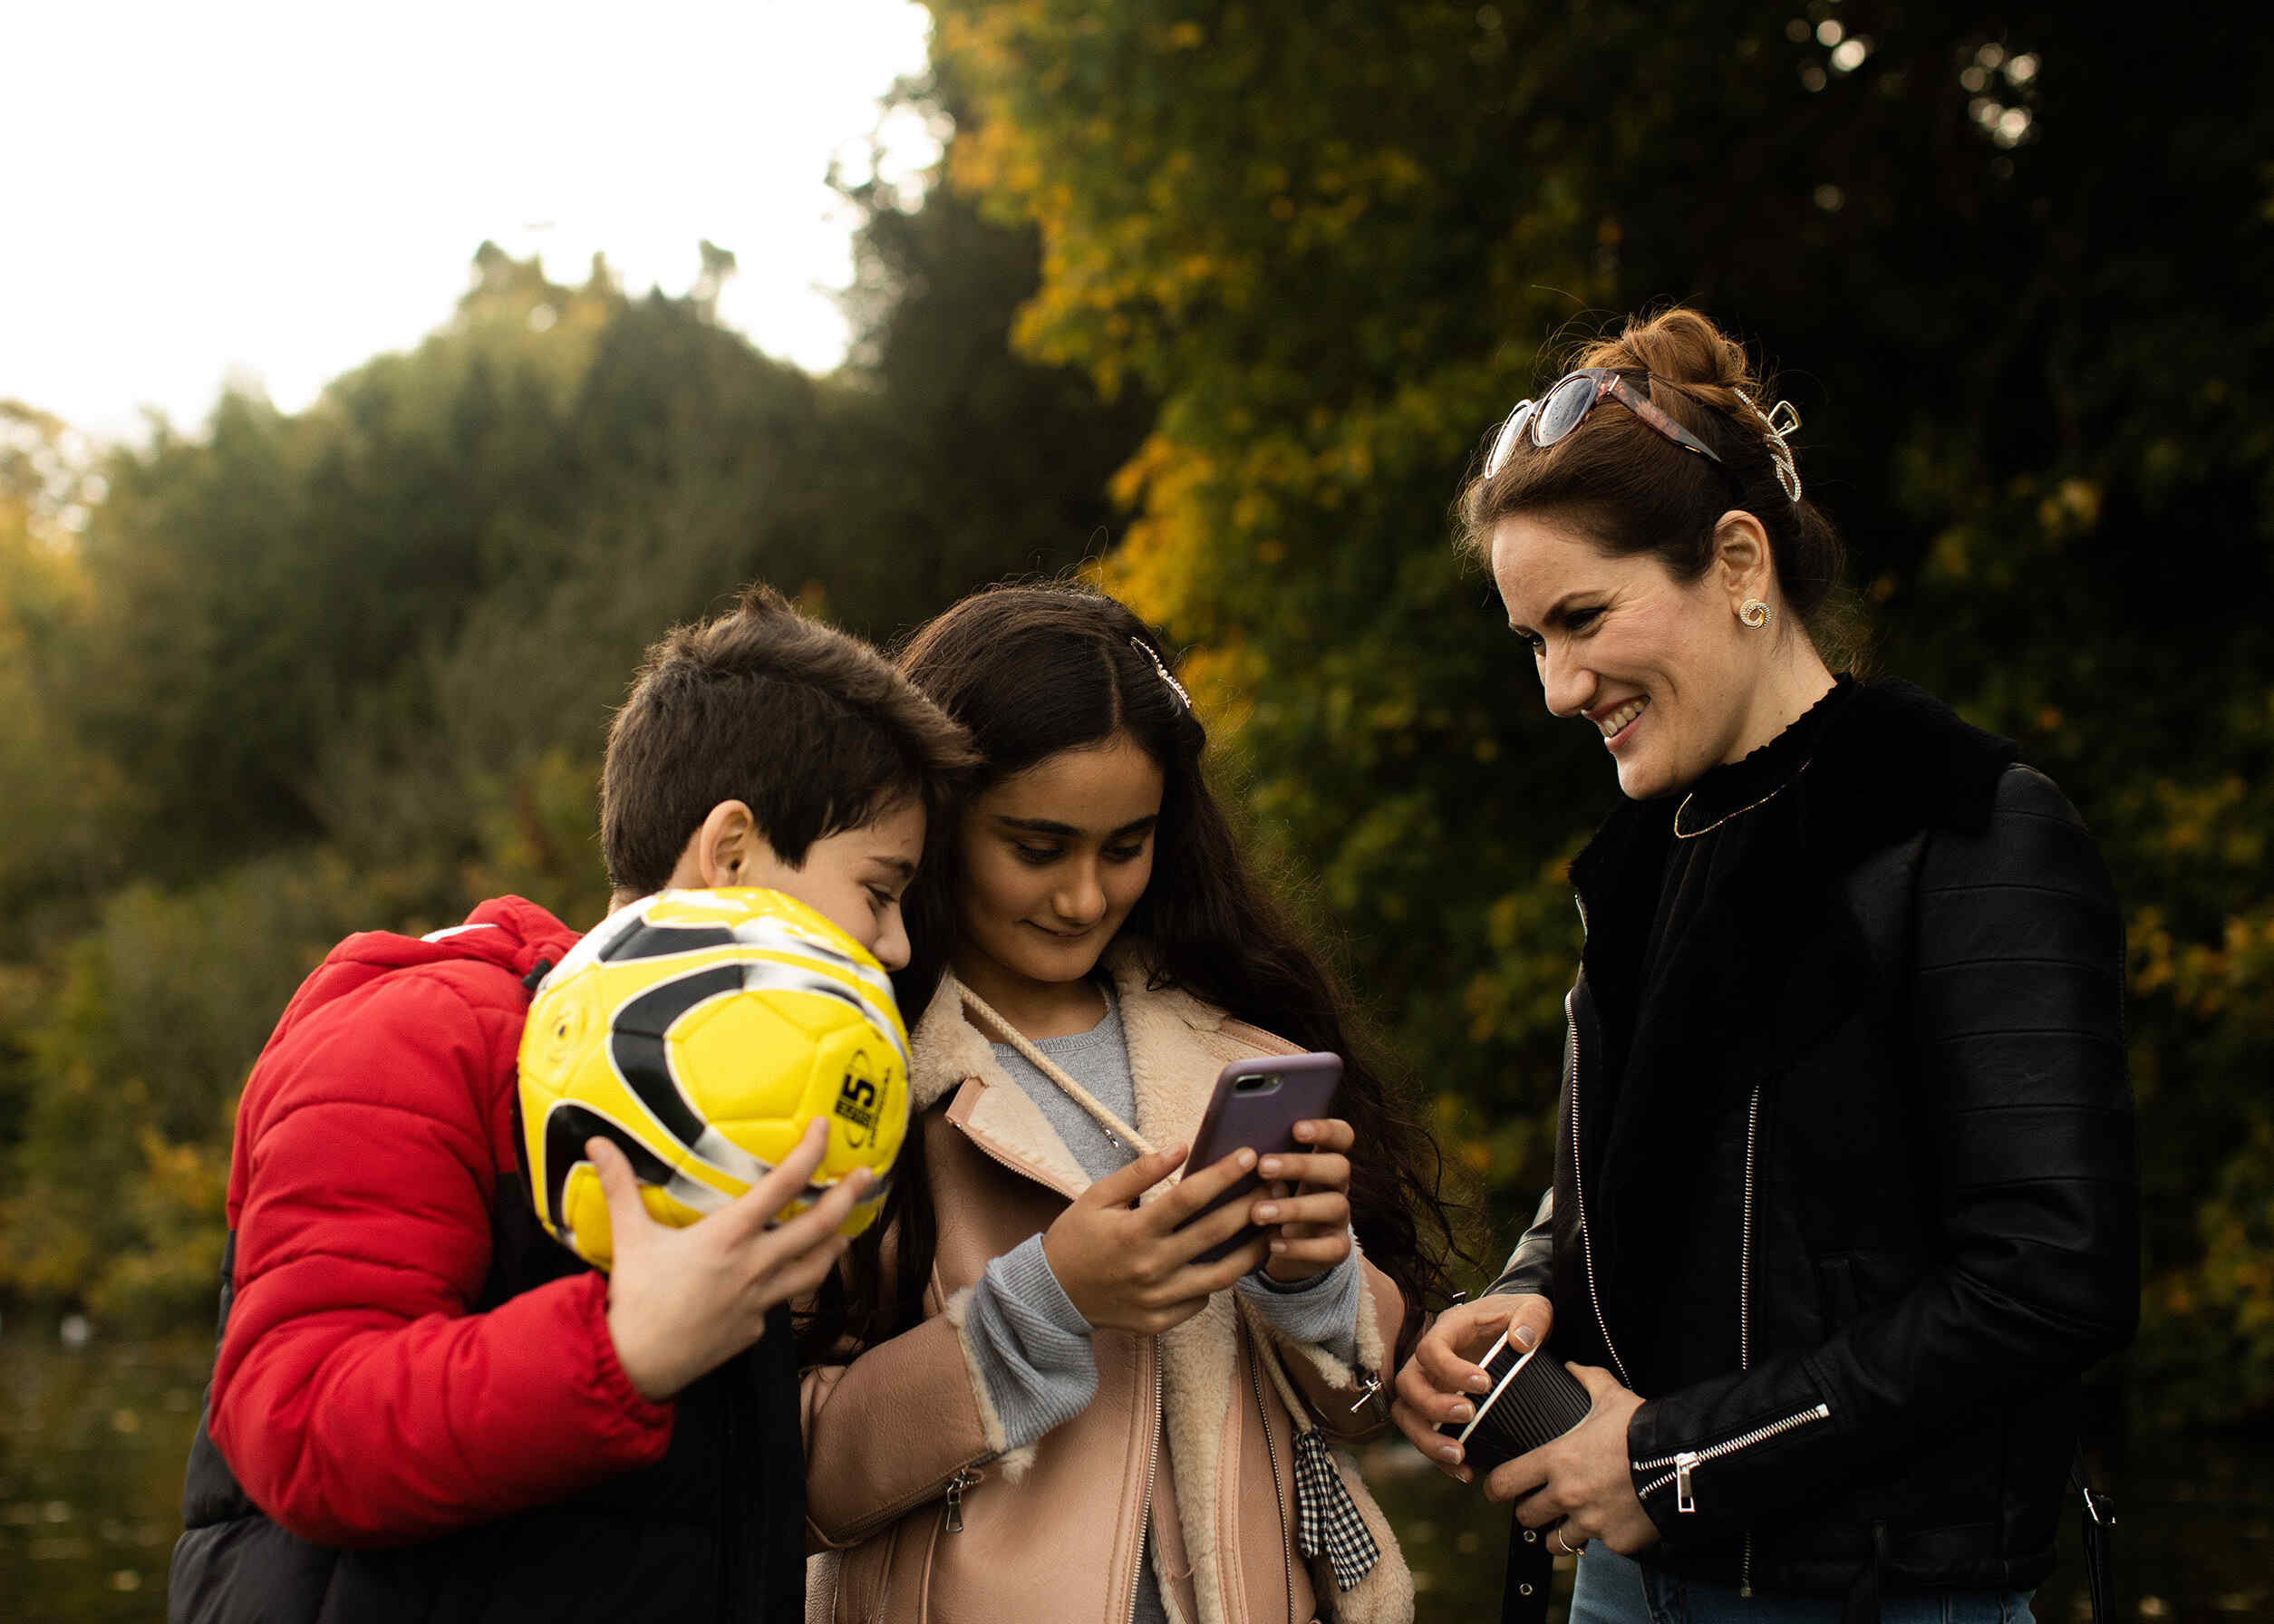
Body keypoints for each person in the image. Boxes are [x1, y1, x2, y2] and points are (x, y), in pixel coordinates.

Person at [1389, 309, 2137, 1623]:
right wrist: (1518, 1302)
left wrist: (1674, 1462)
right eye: (1530, 643)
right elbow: (1629, 1187)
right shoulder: (1636, 861)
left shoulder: (1965, 823)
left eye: (1581, 619)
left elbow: (2047, 1276)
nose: (1558, 688)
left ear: (1738, 560)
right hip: (1622, 1590)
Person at [169, 584, 975, 1624]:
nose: (896, 945)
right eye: (879, 888)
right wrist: (618, 1351)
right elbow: (299, 1420)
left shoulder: (745, 1091)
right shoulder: (416, 1037)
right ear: (729, 853)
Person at [798, 584, 1458, 1624]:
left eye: (1124, 847)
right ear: (935, 818)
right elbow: (796, 1479)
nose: (1083, 898)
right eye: (1036, 846)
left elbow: (1360, 1406)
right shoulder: (834, 1080)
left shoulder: (1244, 1054)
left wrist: (1314, 1273)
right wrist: (1046, 1301)